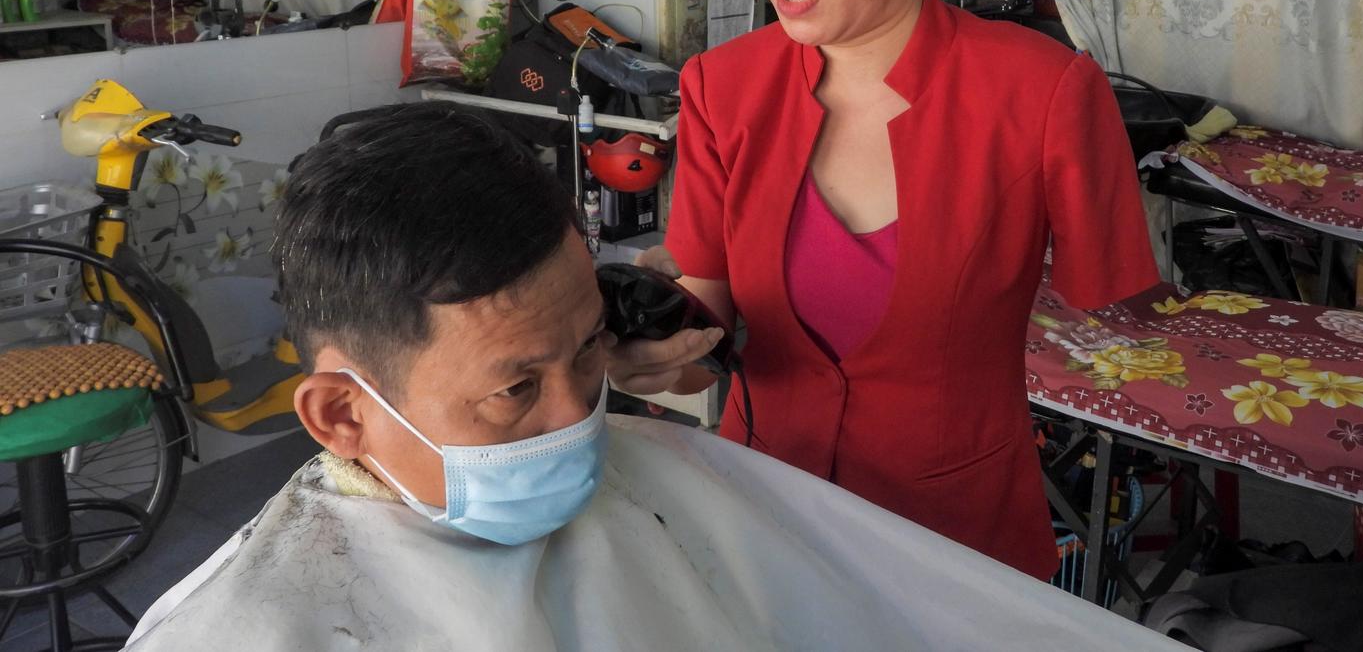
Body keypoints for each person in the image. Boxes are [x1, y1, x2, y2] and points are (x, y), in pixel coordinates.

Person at [123, 103, 1173, 652]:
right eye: (515, 391)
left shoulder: (659, 472)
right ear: (342, 414)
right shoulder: (252, 627)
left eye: (588, 350)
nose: (579, 416)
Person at [607, 0, 1161, 579]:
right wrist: (650, 356)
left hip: (957, 546)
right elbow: (704, 338)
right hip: (765, 526)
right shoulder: (722, 88)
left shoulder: (1045, 93)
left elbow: (1122, 323)